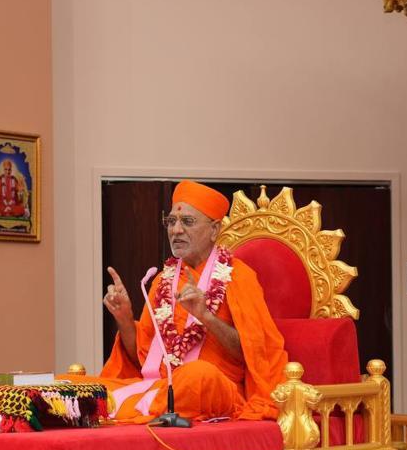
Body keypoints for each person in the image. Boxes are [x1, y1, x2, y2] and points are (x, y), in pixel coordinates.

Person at [82, 180, 288, 423]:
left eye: (187, 222)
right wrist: (125, 319)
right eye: (171, 221)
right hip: (160, 386)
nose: (176, 230)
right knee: (72, 385)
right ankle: (147, 407)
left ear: (214, 229)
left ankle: (127, 409)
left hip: (216, 390)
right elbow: (144, 361)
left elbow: (254, 355)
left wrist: (206, 316)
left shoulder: (239, 277)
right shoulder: (162, 280)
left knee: (198, 376)